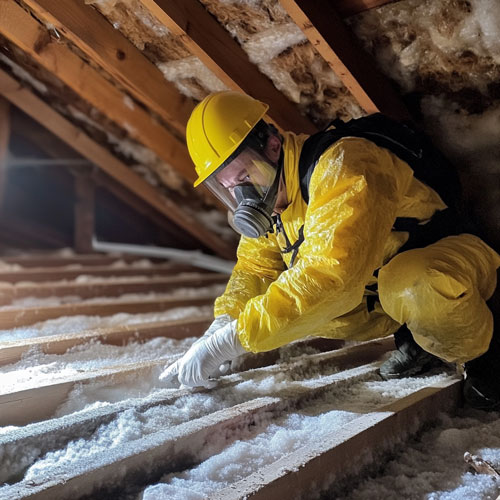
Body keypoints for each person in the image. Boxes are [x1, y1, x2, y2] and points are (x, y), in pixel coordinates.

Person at [161, 91, 500, 410]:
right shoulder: (274, 198)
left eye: (247, 175)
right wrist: (223, 323)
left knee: (411, 285)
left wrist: (233, 340)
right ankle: (418, 337)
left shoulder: (344, 164)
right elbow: (255, 270)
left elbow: (330, 277)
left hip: (451, 264)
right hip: (377, 286)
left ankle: (486, 354)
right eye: (232, 186)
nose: (244, 195)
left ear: (274, 146)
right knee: (299, 311)